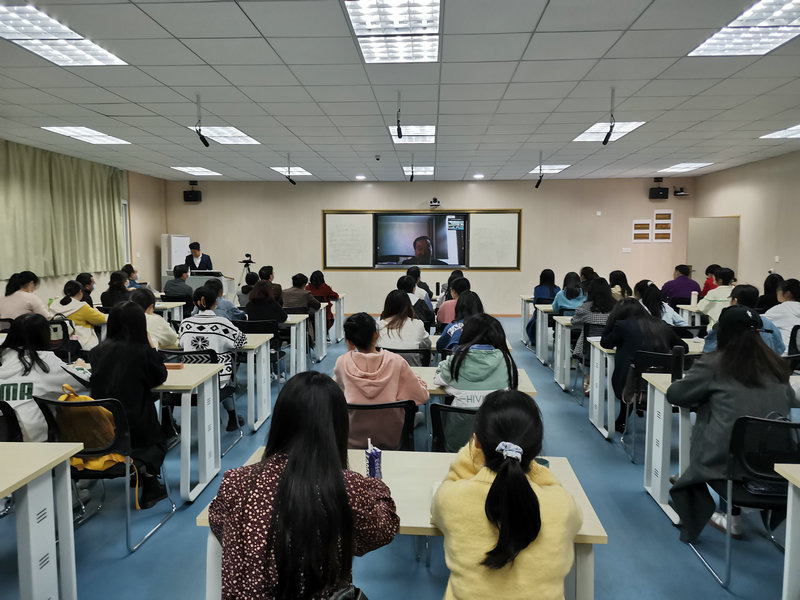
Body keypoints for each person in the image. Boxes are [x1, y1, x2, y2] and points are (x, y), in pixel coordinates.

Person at [208, 371, 399, 600]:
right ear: (337, 428)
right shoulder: (344, 486)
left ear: (280, 422)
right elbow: (383, 530)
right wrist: (375, 484)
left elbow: (220, 525)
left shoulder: (235, 482)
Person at [431, 390, 581, 599]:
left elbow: (448, 489)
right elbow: (558, 494)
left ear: (477, 442)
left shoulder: (450, 499)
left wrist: (471, 454)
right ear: (536, 449)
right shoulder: (563, 506)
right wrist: (533, 468)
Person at [668, 305, 798, 542]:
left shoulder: (715, 363)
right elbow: (789, 399)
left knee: (716, 427)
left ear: (722, 332)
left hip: (726, 464)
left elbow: (676, 395)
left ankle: (714, 511)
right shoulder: (777, 365)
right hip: (774, 464)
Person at [89, 302, 169, 509]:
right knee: (153, 422)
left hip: (103, 430)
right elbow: (160, 376)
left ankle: (138, 473)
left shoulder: (96, 352)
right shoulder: (141, 352)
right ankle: (150, 483)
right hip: (137, 430)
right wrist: (150, 346)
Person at [333, 313, 429, 447]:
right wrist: (417, 380)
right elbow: (422, 397)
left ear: (349, 341)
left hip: (353, 439)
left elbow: (337, 387)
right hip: (393, 438)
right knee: (420, 416)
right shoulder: (396, 362)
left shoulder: (342, 363)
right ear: (376, 335)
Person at [601, 298, 688, 432]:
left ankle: (622, 420)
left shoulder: (622, 326)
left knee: (630, 369)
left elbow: (605, 343)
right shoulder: (661, 324)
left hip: (630, 384)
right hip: (661, 381)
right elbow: (684, 348)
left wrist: (610, 323)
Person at [179, 287, 247, 431]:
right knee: (225, 374)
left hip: (190, 377)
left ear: (194, 303)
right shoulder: (222, 323)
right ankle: (232, 417)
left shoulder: (185, 323)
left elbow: (181, 344)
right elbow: (241, 342)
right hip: (217, 377)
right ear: (216, 302)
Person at [0, 314, 76, 441]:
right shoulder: (44, 360)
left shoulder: (4, 356)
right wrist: (79, 366)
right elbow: (85, 381)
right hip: (35, 439)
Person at [434, 314, 518, 408]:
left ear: (466, 334)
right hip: (496, 416)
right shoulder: (506, 361)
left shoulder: (455, 361)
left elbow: (438, 379)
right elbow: (514, 382)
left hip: (461, 417)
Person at [702, 284, 784, 355]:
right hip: (764, 366)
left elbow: (709, 349)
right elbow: (780, 349)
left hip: (732, 366)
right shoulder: (767, 323)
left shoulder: (727, 321)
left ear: (735, 301)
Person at [571, 278, 616, 393]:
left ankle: (589, 379)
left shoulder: (586, 307)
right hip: (610, 349)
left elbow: (574, 322)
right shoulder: (616, 307)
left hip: (587, 351)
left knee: (585, 350)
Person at [377, 289, 431, 364]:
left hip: (385, 369)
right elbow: (427, 345)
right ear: (408, 305)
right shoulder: (417, 324)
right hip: (412, 369)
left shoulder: (378, 325)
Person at [50, 280, 107, 350]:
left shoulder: (54, 305)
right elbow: (101, 319)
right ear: (80, 291)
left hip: (58, 344)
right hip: (82, 344)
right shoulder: (81, 307)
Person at [524, 269, 560, 342]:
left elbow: (535, 304)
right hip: (555, 317)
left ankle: (534, 340)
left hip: (539, 316)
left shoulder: (537, 288)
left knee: (532, 322)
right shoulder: (557, 289)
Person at [764, 278, 800, 353]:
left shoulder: (780, 309)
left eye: (778, 290)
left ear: (787, 294)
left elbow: (759, 321)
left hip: (785, 355)